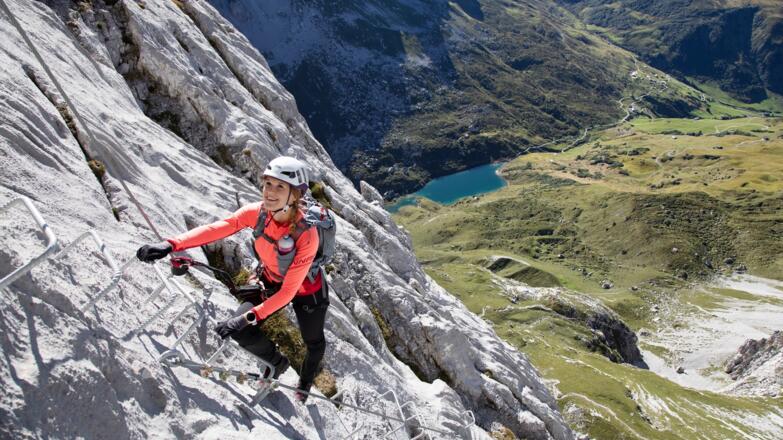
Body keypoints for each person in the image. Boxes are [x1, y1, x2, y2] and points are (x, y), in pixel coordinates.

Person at [136, 156, 329, 403]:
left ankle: (305, 381)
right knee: (241, 331)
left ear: (295, 195)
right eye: (267, 184)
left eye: (280, 186)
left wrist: (249, 317)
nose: (270, 192)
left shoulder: (307, 234)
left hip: (305, 290)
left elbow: (288, 292)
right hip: (269, 279)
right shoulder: (258, 213)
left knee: (313, 343)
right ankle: (277, 363)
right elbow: (219, 227)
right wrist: (171, 244)